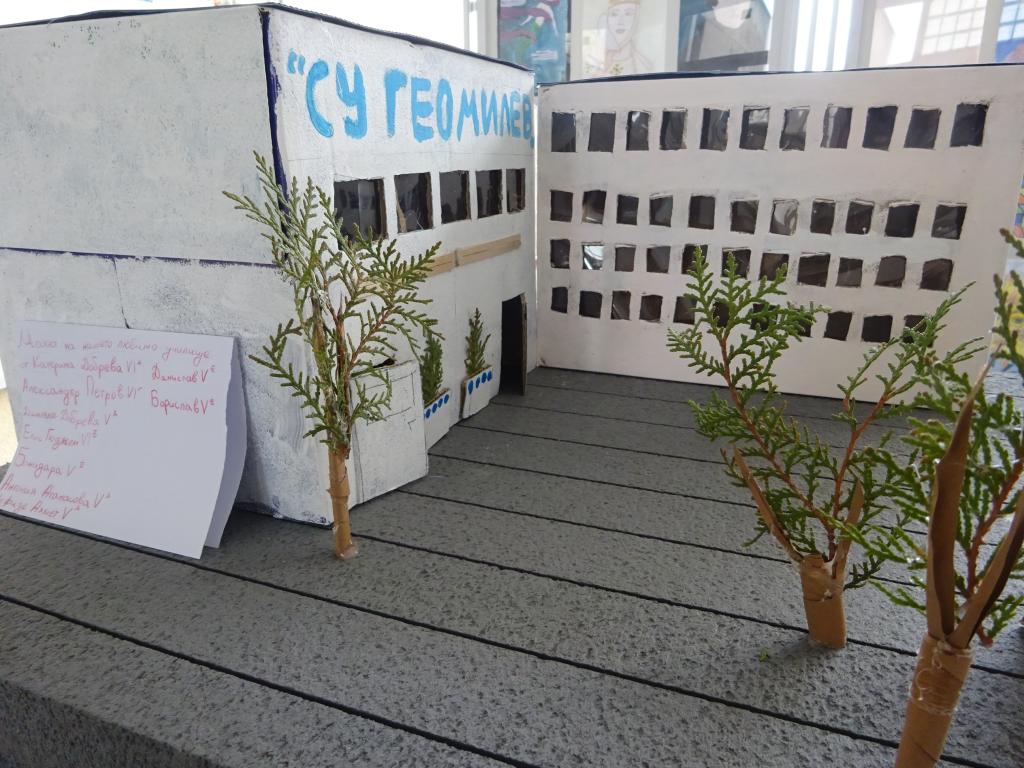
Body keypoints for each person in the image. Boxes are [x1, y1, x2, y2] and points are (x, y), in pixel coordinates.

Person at [585, 0, 653, 77]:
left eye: (628, 14)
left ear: (637, 18)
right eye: (614, 14)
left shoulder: (643, 65)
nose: (620, 22)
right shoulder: (595, 61)